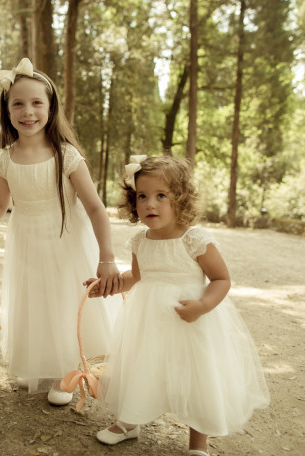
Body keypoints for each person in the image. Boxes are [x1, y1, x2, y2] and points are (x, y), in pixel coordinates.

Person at [0, 58, 122, 405]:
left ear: (51, 108)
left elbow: (95, 208)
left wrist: (107, 256)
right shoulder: (3, 158)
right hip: (27, 241)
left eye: (37, 103)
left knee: (63, 300)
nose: (27, 111)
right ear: (6, 109)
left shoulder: (66, 155)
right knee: (36, 302)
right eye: (18, 103)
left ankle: (68, 368)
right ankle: (42, 364)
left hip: (67, 241)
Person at [86, 155, 270, 455]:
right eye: (142, 196)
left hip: (191, 321)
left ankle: (198, 443)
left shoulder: (194, 239)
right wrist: (108, 285)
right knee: (141, 368)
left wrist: (203, 305)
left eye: (161, 196)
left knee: (197, 378)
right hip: (148, 321)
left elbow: (221, 279)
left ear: (180, 200)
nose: (150, 204)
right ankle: (130, 422)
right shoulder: (140, 241)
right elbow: (137, 275)